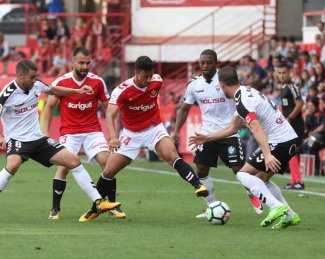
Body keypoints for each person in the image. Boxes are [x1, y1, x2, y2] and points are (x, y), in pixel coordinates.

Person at [0, 59, 120, 224]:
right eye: (31, 77)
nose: (35, 80)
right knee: (13, 165)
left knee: (73, 161)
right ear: (20, 76)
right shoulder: (6, 95)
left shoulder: (36, 84)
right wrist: (0, 137)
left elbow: (53, 89)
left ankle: (99, 202)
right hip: (18, 140)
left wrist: (77, 91)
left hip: (38, 139)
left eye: (36, 76)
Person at [80, 56, 209, 222]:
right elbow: (110, 115)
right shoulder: (122, 90)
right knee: (109, 171)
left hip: (154, 129)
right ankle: (95, 209)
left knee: (171, 155)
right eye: (144, 76)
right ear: (136, 73)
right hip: (131, 134)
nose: (148, 80)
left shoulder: (157, 81)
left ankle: (198, 186)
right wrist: (113, 137)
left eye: (150, 76)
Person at [189, 67, 301, 229]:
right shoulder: (246, 92)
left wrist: (268, 155)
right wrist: (207, 138)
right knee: (262, 179)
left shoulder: (242, 101)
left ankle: (276, 206)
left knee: (243, 174)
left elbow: (256, 127)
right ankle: (290, 215)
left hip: (280, 141)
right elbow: (232, 128)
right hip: (288, 140)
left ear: (221, 85)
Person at [172, 49, 263, 218]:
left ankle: (253, 195)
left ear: (216, 64)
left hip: (228, 132)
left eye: (208, 63)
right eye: (202, 63)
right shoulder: (194, 85)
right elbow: (184, 109)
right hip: (206, 134)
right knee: (201, 170)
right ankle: (212, 206)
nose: (205, 66)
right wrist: (176, 130)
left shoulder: (225, 81)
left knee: (239, 169)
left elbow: (241, 97)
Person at [42, 47, 126, 221]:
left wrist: (112, 135)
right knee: (64, 166)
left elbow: (109, 109)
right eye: (81, 63)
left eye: (88, 63)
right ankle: (55, 209)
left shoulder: (97, 82)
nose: (85, 66)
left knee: (107, 162)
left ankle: (113, 205)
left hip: (92, 131)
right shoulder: (62, 82)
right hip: (69, 132)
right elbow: (49, 106)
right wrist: (44, 133)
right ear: (72, 62)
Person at [276, 63, 305, 190]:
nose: (281, 75)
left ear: (289, 73)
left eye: (284, 73)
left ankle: (298, 181)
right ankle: (294, 181)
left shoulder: (292, 87)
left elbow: (300, 104)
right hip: (288, 123)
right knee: (290, 152)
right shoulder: (285, 88)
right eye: (279, 73)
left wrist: (289, 119)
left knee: (292, 151)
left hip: (295, 123)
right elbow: (285, 107)